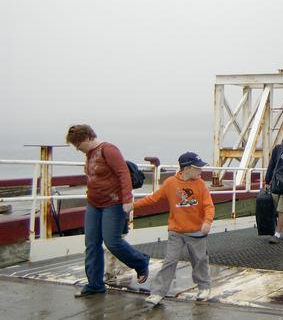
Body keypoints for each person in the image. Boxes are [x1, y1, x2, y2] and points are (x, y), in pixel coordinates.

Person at [65, 124, 150, 297]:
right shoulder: (89, 154)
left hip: (113, 204)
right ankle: (95, 284)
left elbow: (123, 174)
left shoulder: (109, 150)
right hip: (94, 204)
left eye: (78, 144)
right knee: (92, 244)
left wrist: (127, 199)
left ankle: (141, 262)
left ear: (88, 138)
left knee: (112, 242)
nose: (77, 148)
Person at [134, 152, 215, 305]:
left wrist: (207, 222)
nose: (201, 171)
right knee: (170, 261)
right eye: (198, 168)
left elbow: (208, 206)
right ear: (186, 169)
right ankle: (158, 292)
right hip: (176, 231)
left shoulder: (201, 185)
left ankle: (204, 287)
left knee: (199, 260)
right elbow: (154, 198)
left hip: (197, 231)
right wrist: (133, 206)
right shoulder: (171, 183)